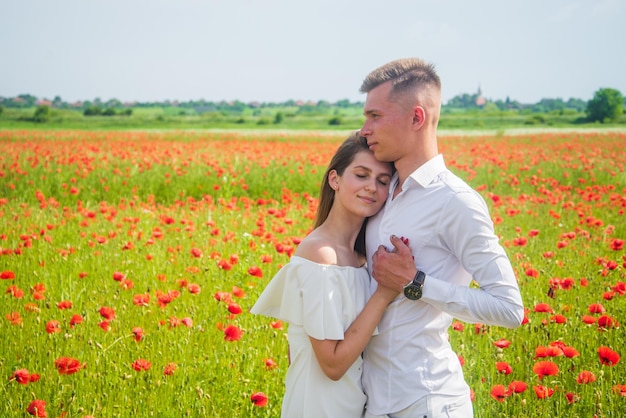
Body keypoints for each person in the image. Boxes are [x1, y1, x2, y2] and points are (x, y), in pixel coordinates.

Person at [358, 58, 525, 417]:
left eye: (375, 116)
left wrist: (415, 283)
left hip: (426, 400)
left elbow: (510, 309)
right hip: (372, 400)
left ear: (416, 118)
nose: (363, 130)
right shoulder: (379, 192)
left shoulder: (456, 202)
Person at [251, 132, 398, 417]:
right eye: (361, 175)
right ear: (335, 180)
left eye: (382, 181)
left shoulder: (360, 257)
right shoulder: (320, 255)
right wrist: (384, 293)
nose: (371, 187)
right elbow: (331, 365)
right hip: (319, 406)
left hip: (351, 402)